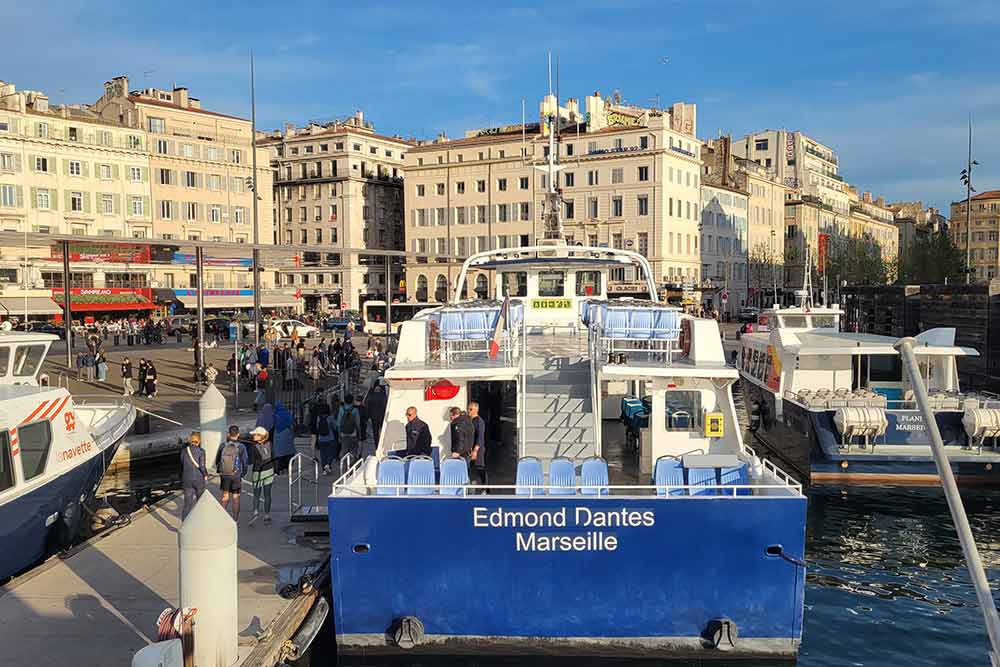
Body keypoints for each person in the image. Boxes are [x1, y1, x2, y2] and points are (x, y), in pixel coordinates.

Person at [216, 425, 249, 521]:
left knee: (225, 496)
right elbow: (245, 462)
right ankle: (235, 520)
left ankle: (221, 518)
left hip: (225, 474)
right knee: (236, 497)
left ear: (228, 434)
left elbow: (217, 460)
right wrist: (243, 473)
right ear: (238, 434)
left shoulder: (223, 445)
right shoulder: (241, 447)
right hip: (236, 475)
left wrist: (220, 471)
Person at [248, 426, 274, 525]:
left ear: (260, 436)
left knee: (256, 494)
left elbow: (251, 461)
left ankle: (255, 511)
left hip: (257, 472)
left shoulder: (253, 447)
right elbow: (274, 456)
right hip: (269, 471)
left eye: (255, 434)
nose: (253, 436)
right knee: (267, 494)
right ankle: (267, 515)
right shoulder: (270, 444)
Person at [180, 431, 208, 520]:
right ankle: (200, 521)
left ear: (190, 440)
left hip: (186, 479)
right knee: (200, 502)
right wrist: (206, 475)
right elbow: (202, 466)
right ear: (199, 441)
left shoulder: (184, 451)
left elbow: (182, 463)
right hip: (198, 479)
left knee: (187, 504)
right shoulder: (201, 451)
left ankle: (184, 524)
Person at [313, 400, 338, 474]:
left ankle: (324, 469)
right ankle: (328, 464)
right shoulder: (330, 417)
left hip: (321, 439)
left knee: (323, 454)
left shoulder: (319, 418)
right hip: (330, 438)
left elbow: (317, 427)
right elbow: (335, 427)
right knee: (331, 453)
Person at [468, 401, 488, 488]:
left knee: (480, 467)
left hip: (478, 449)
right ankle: (472, 486)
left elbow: (480, 437)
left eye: (470, 409)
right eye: (468, 409)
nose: (468, 411)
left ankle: (485, 488)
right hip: (470, 448)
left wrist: (475, 450)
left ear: (476, 410)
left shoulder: (479, 421)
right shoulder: (469, 420)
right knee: (471, 468)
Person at [364, 380, 388, 449]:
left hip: (373, 416)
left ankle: (377, 446)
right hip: (382, 416)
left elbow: (366, 404)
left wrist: (367, 416)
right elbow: (385, 405)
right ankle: (383, 444)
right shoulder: (383, 395)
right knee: (383, 431)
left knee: (375, 432)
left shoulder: (371, 395)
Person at [337, 394, 361, 461]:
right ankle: (352, 464)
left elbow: (338, 424)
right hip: (353, 434)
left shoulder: (341, 409)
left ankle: (344, 465)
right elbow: (358, 423)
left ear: (344, 401)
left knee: (344, 450)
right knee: (353, 450)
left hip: (343, 434)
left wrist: (339, 435)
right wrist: (359, 434)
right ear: (352, 401)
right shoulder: (355, 410)